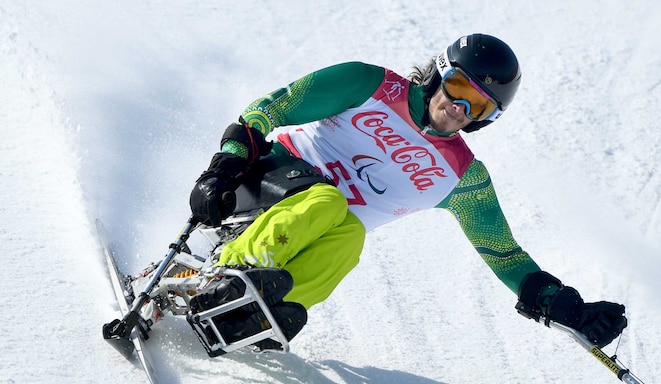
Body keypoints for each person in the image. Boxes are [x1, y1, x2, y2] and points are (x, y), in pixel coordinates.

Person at [187, 33, 627, 350]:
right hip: (264, 183)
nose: (459, 108)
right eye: (458, 88)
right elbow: (267, 110)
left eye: (478, 107)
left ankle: (253, 314)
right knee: (327, 201)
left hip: (311, 234)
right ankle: (224, 277)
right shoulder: (369, 85)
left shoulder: (461, 176)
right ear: (439, 74)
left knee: (350, 237)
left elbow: (503, 253)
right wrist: (224, 167)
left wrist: (563, 305)